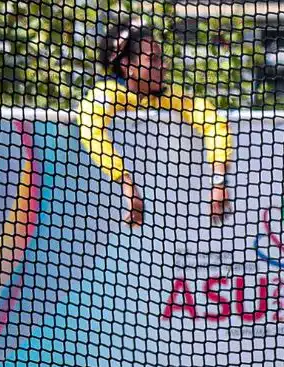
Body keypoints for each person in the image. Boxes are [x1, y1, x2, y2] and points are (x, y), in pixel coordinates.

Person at [78, 23, 234, 227]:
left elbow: (215, 124)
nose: (164, 66)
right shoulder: (104, 95)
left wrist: (219, 181)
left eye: (161, 58)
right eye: (153, 59)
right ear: (128, 66)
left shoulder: (170, 96)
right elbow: (92, 132)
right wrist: (127, 186)